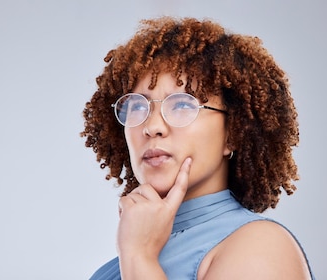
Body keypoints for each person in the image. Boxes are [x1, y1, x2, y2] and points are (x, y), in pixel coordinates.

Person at [81, 16, 314, 279]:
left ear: (233, 133)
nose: (152, 126)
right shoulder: (113, 267)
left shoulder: (261, 246)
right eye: (137, 106)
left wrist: (139, 257)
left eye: (182, 104)